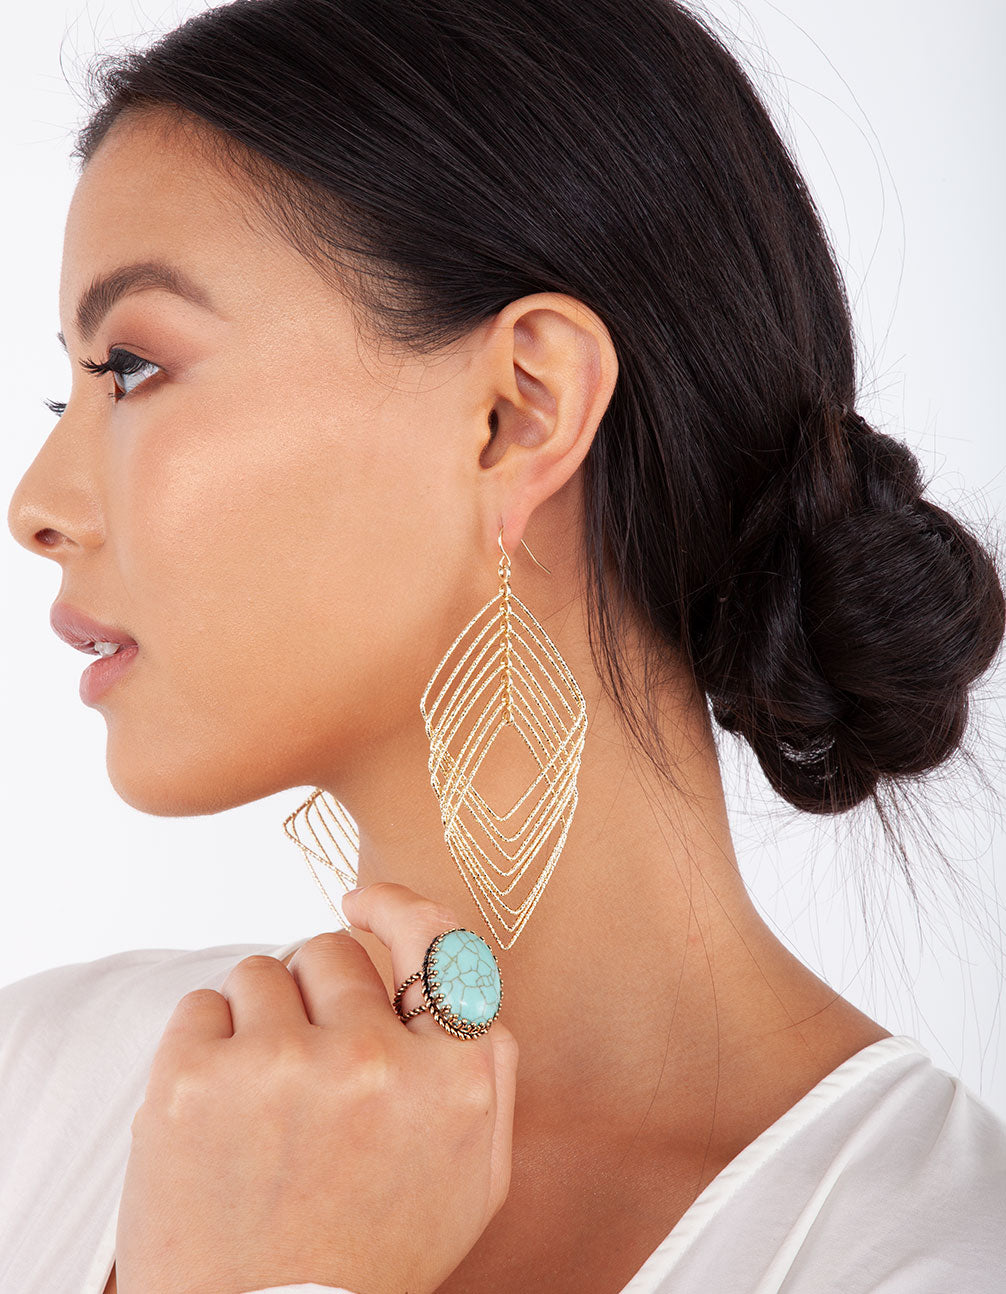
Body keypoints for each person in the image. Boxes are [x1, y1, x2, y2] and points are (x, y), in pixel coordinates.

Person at [2, 0, 1004, 1291]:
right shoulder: (36, 1092)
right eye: (67, 387)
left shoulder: (938, 1255)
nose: (36, 504)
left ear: (517, 413)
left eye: (131, 367)